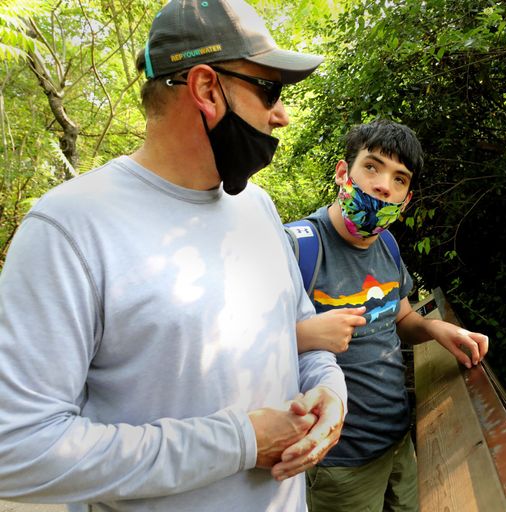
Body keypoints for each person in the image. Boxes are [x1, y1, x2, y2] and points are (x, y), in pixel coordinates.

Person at [0, 1, 345, 511]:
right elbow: (16, 451)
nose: (282, 115)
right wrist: (239, 442)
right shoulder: (71, 227)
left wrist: (329, 391)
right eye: (269, 90)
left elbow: (298, 334)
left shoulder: (259, 206)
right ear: (207, 89)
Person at [293, 120, 490, 512]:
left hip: (399, 443)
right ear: (342, 172)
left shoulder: (386, 245)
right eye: (372, 167)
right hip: (339, 462)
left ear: (406, 198)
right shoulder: (299, 249)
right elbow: (237, 345)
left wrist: (435, 329)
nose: (384, 185)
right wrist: (305, 335)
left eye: (399, 179)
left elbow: (399, 319)